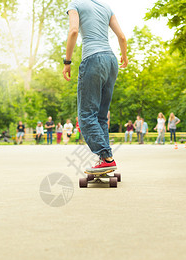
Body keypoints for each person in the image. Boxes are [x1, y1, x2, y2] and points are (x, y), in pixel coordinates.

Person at [63, 0, 128, 172]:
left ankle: (107, 157)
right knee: (100, 117)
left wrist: (67, 62)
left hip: (93, 59)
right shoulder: (105, 7)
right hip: (111, 60)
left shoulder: (75, 4)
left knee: (85, 116)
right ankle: (104, 159)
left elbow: (74, 31)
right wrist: (124, 56)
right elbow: (121, 36)